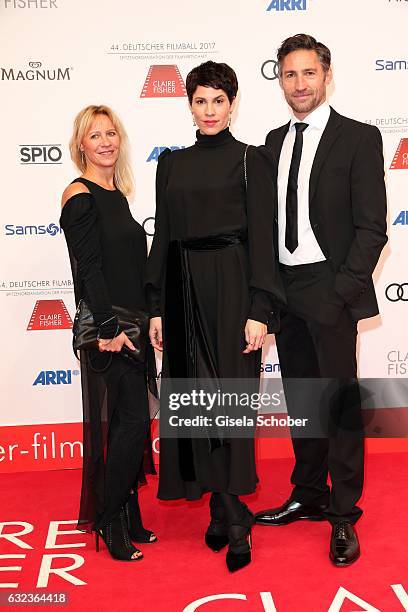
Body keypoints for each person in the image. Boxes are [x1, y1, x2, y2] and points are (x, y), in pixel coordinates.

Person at [146, 61, 284, 572]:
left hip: (232, 287)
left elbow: (264, 241)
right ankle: (227, 511)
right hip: (182, 288)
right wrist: (155, 304)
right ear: (189, 105)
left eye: (218, 101)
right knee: (193, 402)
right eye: (200, 101)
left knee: (228, 401)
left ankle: (228, 509)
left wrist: (260, 307)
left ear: (233, 103)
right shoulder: (172, 164)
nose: (209, 110)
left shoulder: (253, 159)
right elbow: (162, 235)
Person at [255, 34, 387, 566]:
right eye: (289, 74)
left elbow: (372, 229)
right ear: (280, 80)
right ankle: (307, 494)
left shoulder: (359, 137)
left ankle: (342, 515)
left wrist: (339, 293)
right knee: (304, 404)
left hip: (330, 290)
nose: (299, 84)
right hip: (285, 291)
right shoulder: (269, 142)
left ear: (327, 76)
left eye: (308, 73)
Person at [60, 105, 158, 561]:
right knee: (127, 425)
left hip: (132, 326)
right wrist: (109, 327)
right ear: (81, 143)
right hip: (108, 330)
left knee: (130, 428)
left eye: (111, 133)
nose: (105, 141)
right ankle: (110, 521)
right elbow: (89, 270)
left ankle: (128, 516)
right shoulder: (79, 195)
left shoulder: (116, 194)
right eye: (95, 135)